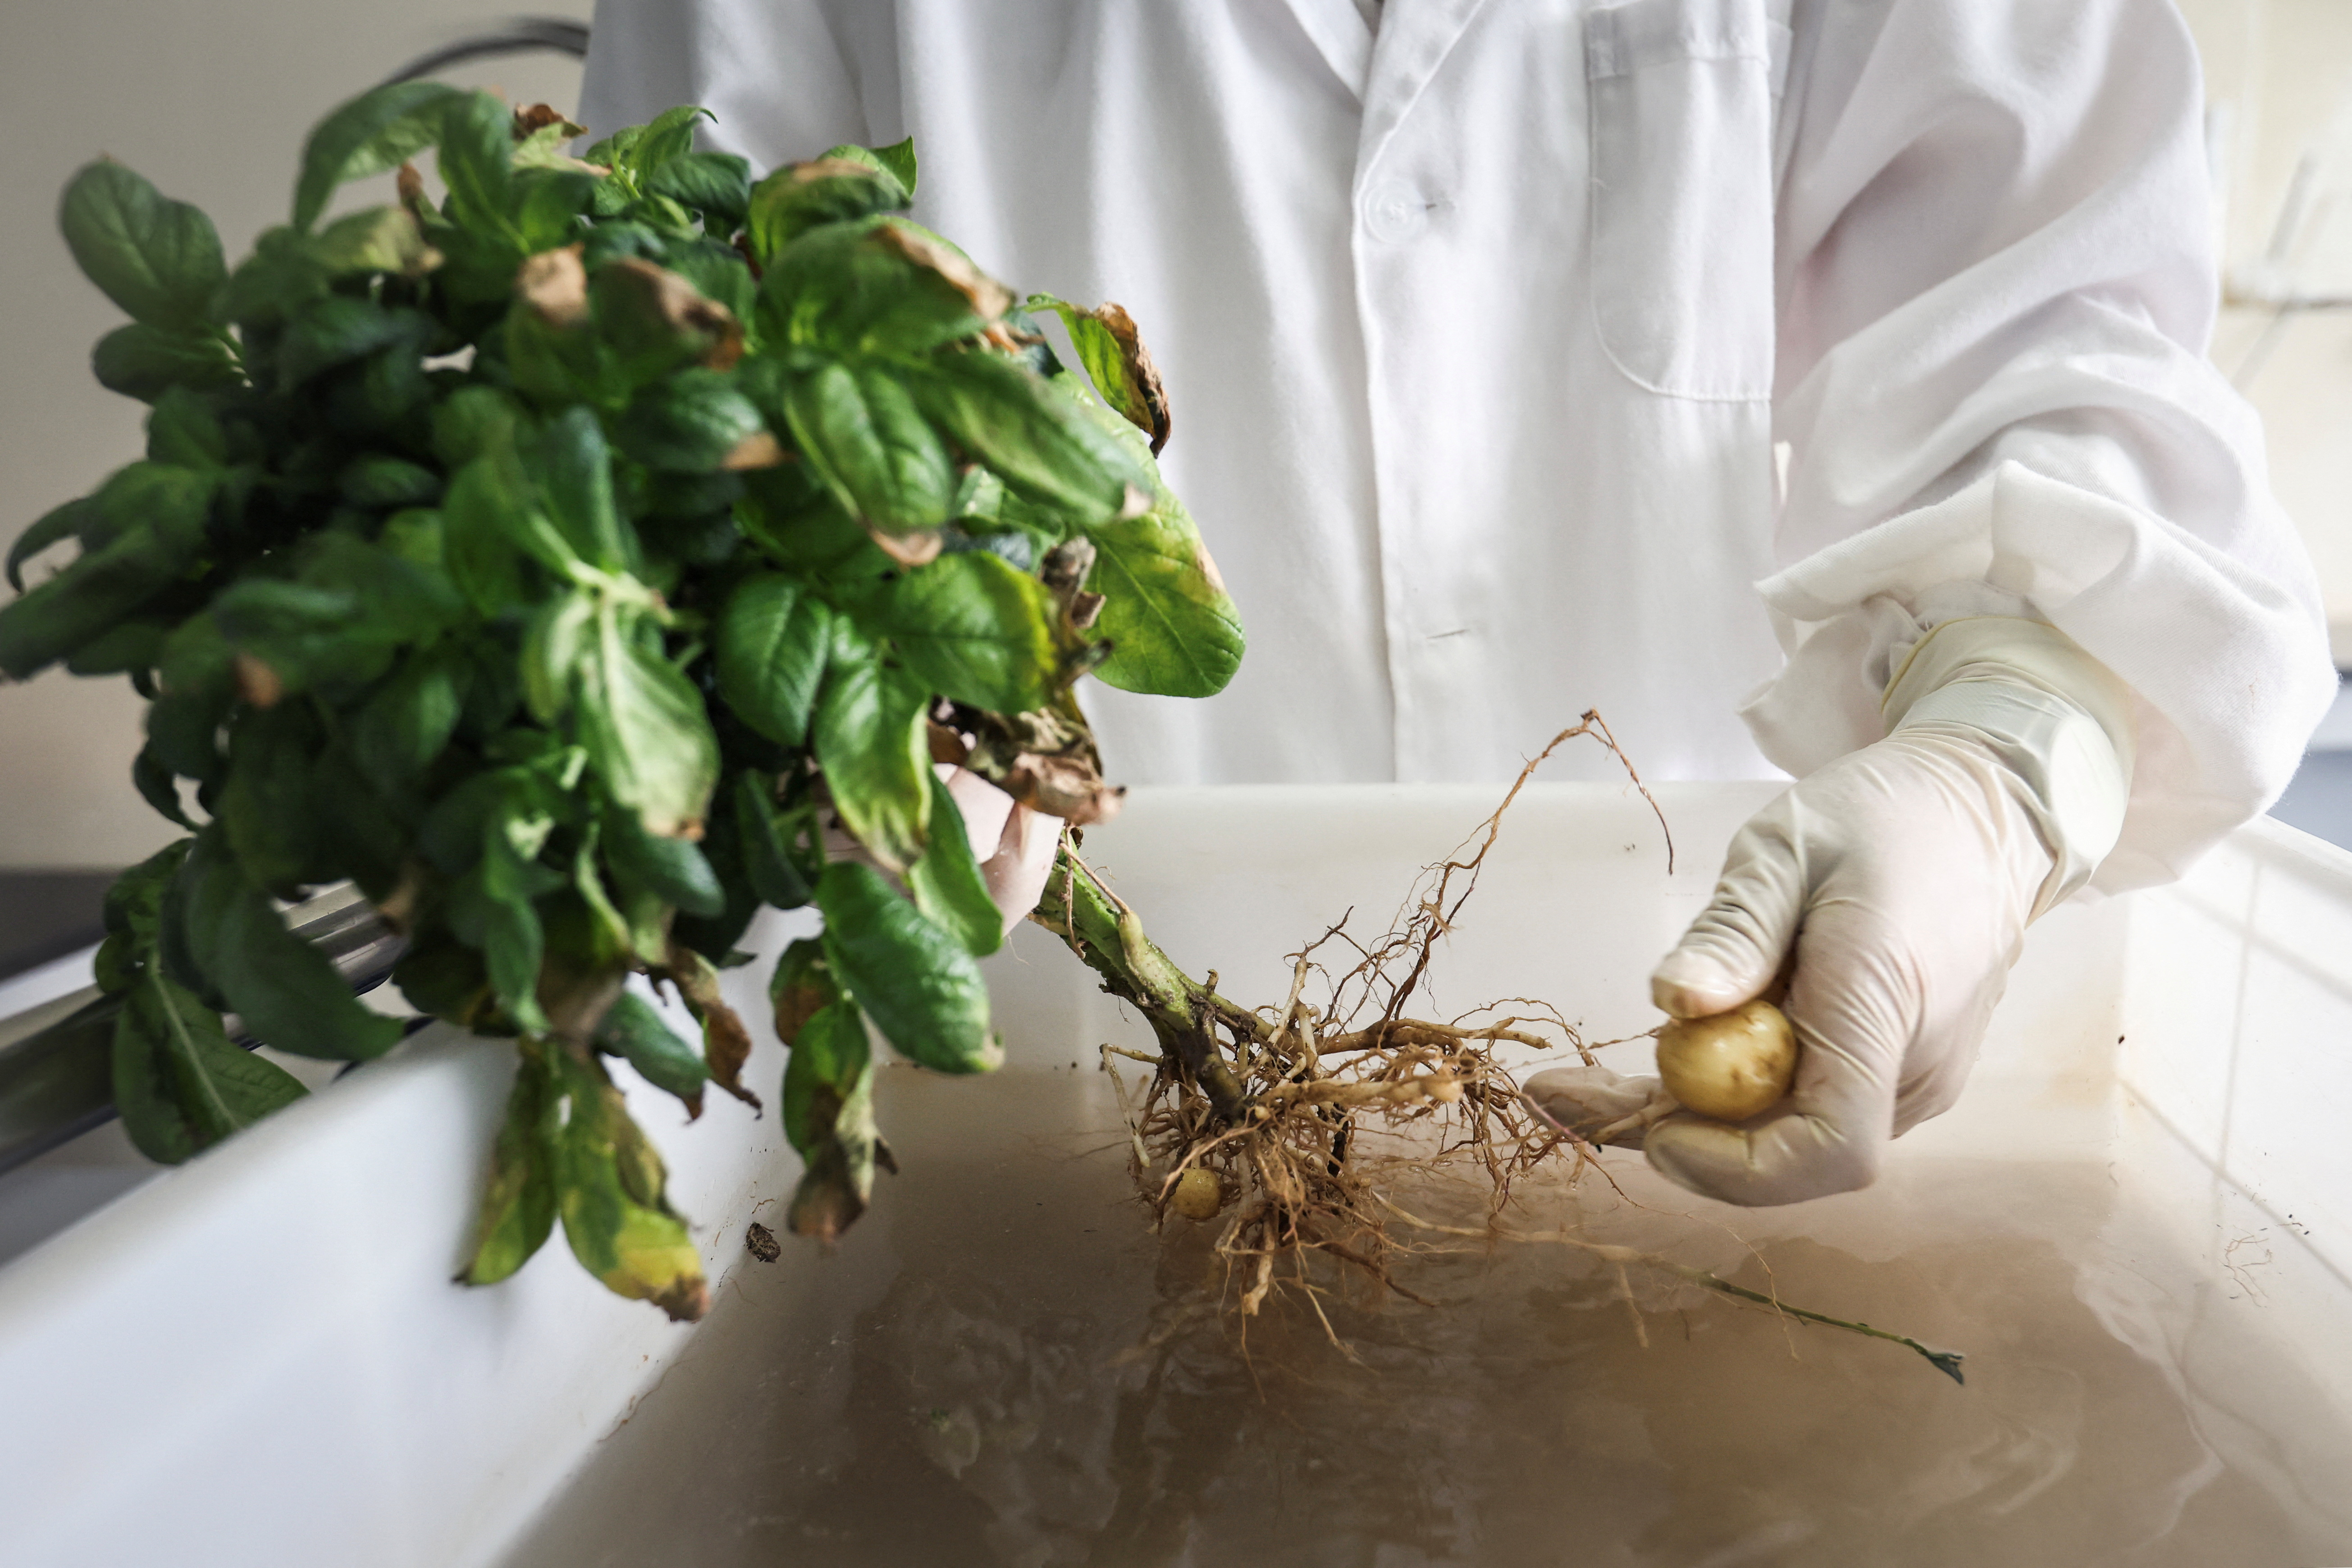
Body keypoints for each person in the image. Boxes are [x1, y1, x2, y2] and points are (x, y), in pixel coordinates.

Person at [579, 0, 2335, 1205]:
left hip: (1687, 1005)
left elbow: (2063, 333)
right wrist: (823, 646)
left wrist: (2002, 752)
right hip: (1021, 1055)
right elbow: (685, 329)